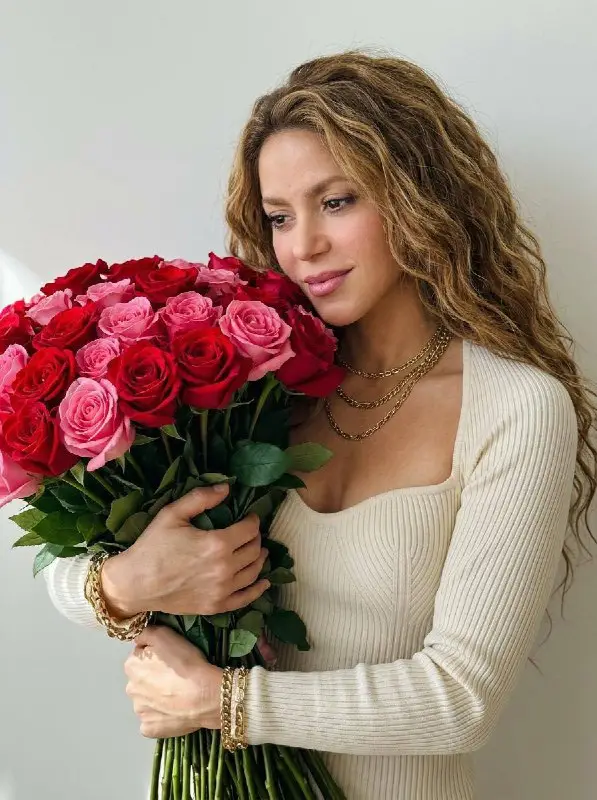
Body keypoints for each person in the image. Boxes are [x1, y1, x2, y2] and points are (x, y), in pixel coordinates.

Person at [44, 51, 597, 799]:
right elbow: (71, 567)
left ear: (418, 196)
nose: (303, 246)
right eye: (280, 217)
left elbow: (460, 700)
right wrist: (125, 584)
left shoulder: (515, 409)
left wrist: (220, 702)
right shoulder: (251, 389)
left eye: (336, 202)